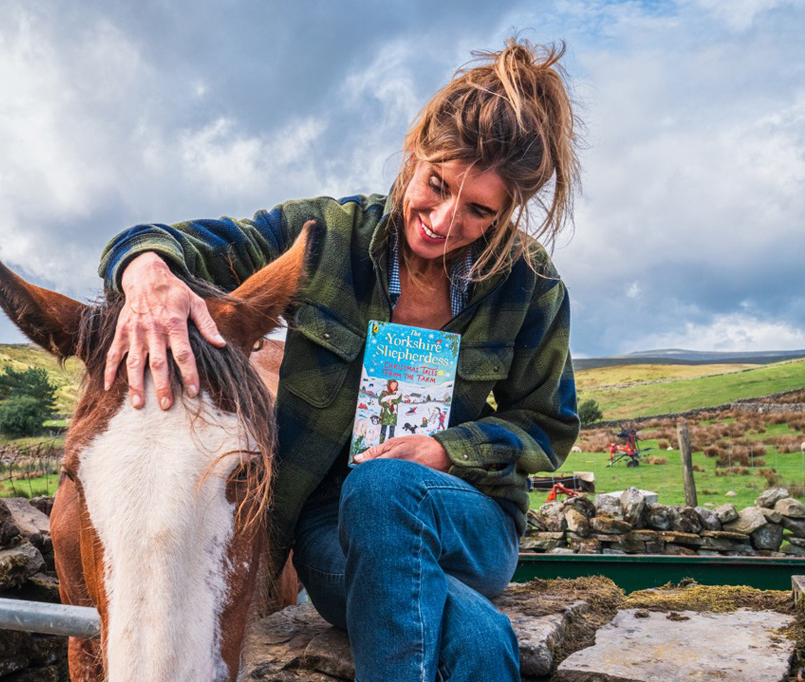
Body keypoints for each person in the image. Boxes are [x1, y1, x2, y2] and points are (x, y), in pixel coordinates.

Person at [98, 37, 580, 682]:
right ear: (414, 154)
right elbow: (181, 242)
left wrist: (445, 451)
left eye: (477, 210)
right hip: (334, 530)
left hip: (469, 520)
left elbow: (547, 424)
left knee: (385, 485)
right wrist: (146, 272)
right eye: (436, 185)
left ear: (507, 210)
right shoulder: (326, 237)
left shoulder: (531, 284)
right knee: (476, 636)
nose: (442, 221)